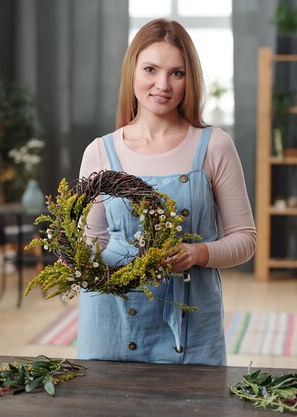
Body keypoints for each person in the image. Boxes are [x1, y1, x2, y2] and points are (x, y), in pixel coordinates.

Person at [77, 18, 256, 365]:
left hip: (192, 321)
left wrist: (197, 253)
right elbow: (92, 243)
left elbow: (245, 239)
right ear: (132, 72)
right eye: (150, 69)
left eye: (177, 73)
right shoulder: (100, 151)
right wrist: (75, 261)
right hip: (112, 318)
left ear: (190, 80)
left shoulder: (214, 146)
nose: (163, 84)